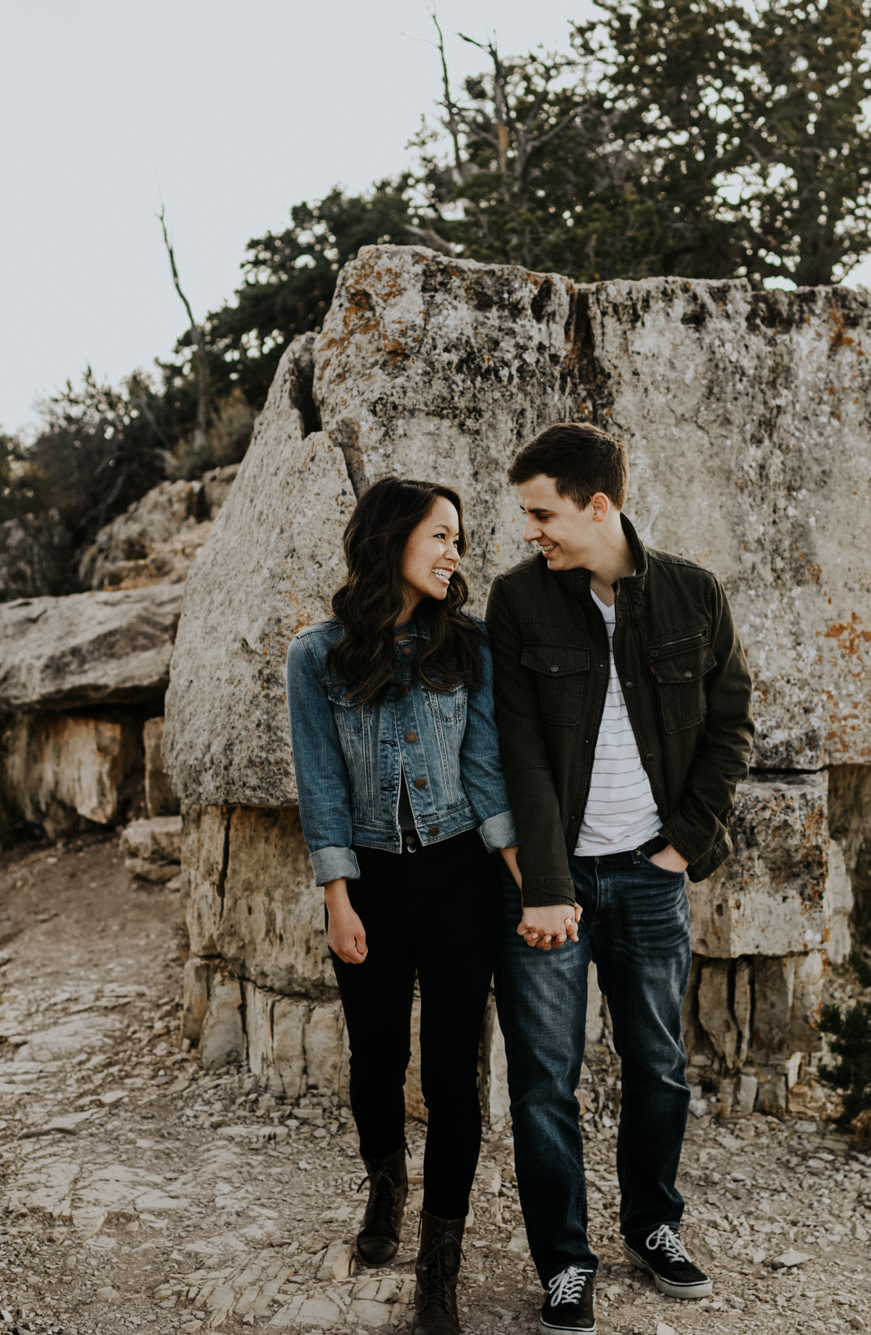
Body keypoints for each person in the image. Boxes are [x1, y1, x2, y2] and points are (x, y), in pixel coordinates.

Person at [485, 422, 754, 1335]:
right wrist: (546, 887)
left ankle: (654, 1226)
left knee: (658, 1066)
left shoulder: (694, 594)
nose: (532, 531)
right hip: (554, 884)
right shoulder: (519, 600)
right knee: (543, 1080)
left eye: (542, 512)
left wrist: (683, 846)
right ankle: (564, 1262)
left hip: (649, 876)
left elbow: (731, 728)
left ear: (598, 505)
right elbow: (516, 746)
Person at [285, 476, 523, 1335]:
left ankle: (440, 1270)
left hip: (463, 877)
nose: (456, 552)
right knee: (376, 1065)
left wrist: (526, 877)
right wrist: (337, 899)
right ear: (393, 540)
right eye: (442, 536)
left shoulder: (471, 645)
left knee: (453, 1078)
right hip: (373, 886)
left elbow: (488, 767)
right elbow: (320, 787)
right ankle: (386, 1186)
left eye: (459, 538)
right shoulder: (316, 656)